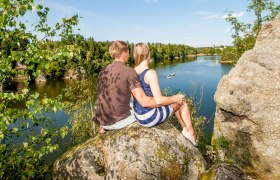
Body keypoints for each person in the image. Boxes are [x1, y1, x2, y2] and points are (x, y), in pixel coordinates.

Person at [93, 40, 185, 133]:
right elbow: (144, 101)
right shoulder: (128, 71)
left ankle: (104, 128)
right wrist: (172, 99)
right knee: (139, 114)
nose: (129, 54)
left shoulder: (103, 72)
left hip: (102, 120)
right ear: (124, 52)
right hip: (116, 122)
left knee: (130, 104)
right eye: (128, 52)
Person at [133, 43, 197, 146]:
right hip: (149, 117)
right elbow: (159, 100)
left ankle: (185, 130)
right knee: (182, 102)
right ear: (148, 55)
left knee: (175, 102)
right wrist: (175, 98)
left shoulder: (132, 72)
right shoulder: (150, 73)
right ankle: (191, 132)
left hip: (138, 116)